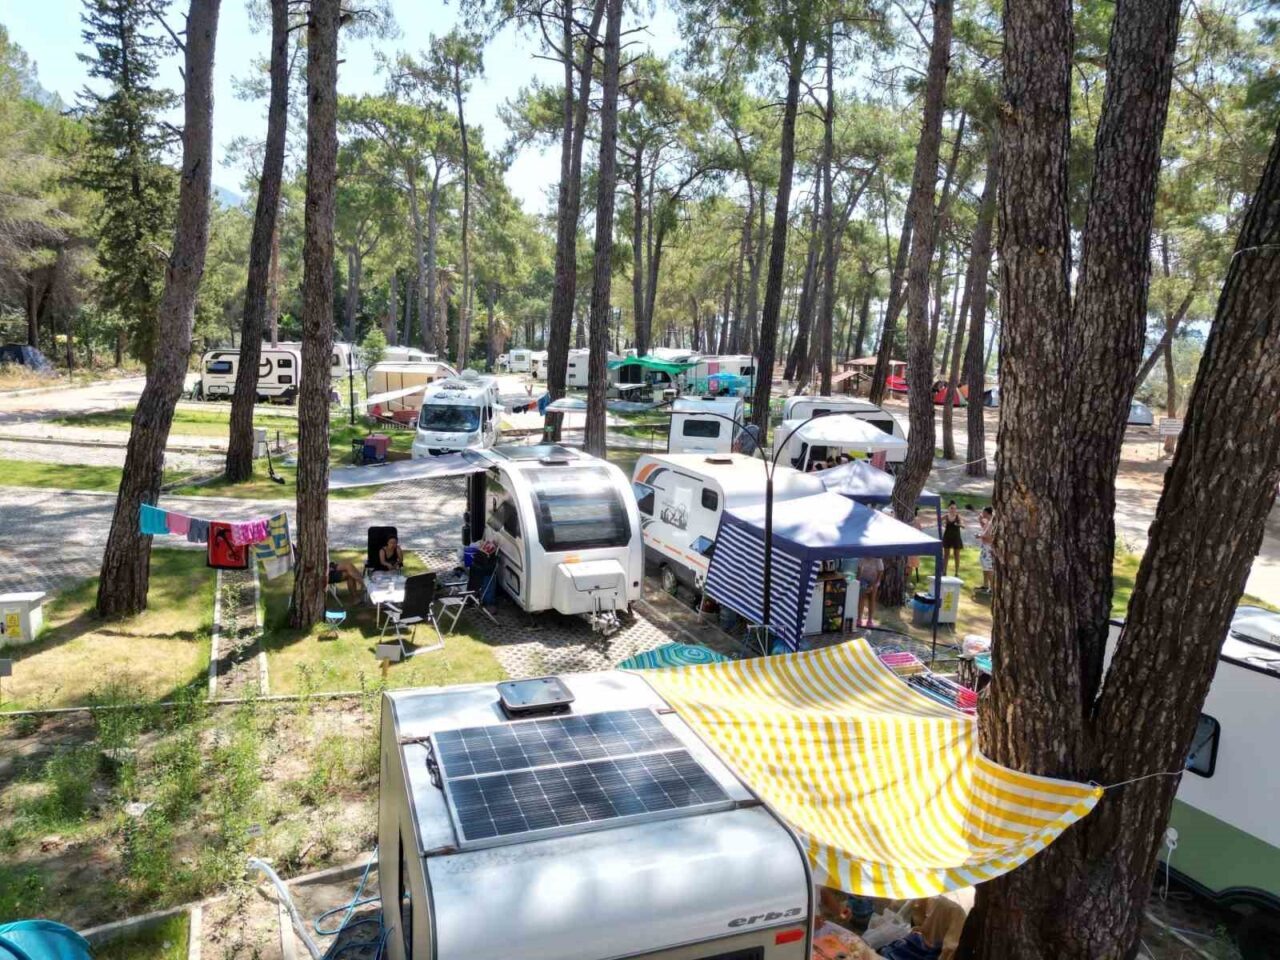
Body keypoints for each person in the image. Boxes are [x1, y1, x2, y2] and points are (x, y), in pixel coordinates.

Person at [856, 555, 883, 628]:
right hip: (864, 579)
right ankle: (859, 618)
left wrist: (875, 584)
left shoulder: (878, 559)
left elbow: (880, 572)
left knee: (872, 599)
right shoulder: (861, 557)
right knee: (861, 598)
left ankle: (870, 620)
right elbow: (859, 570)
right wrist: (858, 582)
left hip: (874, 580)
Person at [941, 500, 965, 578]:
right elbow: (938, 520)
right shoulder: (946, 516)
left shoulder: (958, 516)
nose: (953, 510)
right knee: (946, 555)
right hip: (947, 537)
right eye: (951, 508)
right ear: (948, 508)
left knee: (956, 555)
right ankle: (944, 571)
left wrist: (959, 524)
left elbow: (963, 525)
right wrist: (943, 524)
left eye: (954, 508)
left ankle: (957, 572)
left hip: (956, 537)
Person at [976, 506, 995, 594]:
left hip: (989, 548)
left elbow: (991, 536)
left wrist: (980, 536)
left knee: (989, 567)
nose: (981, 513)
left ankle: (992, 588)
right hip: (984, 547)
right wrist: (980, 521)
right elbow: (985, 529)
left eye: (983, 512)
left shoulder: (992, 523)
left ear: (987, 513)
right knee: (984, 566)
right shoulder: (988, 522)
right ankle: (985, 585)